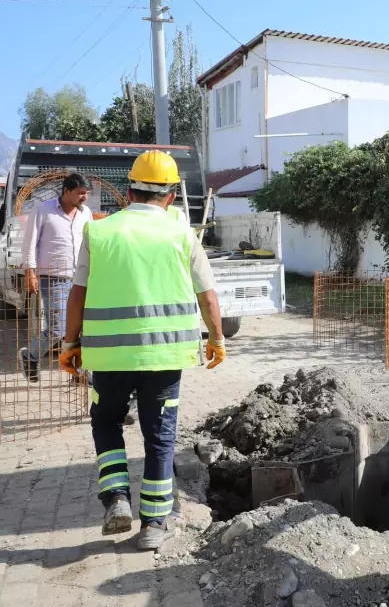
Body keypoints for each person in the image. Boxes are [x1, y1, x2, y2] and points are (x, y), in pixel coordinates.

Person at [59, 149, 226, 550]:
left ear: (129, 190)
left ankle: (116, 498)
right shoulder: (181, 233)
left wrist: (69, 345)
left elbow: (76, 295)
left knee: (106, 423)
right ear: (170, 195)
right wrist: (217, 339)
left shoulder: (98, 232)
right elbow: (208, 296)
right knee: (160, 436)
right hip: (165, 357)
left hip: (109, 357)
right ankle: (153, 524)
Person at [19, 172, 93, 381]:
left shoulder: (85, 212)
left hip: (81, 277)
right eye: (80, 193)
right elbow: (30, 242)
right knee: (58, 328)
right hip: (53, 277)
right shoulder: (43, 210)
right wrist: (30, 272)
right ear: (66, 191)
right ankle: (31, 355)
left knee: (84, 326)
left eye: (86, 193)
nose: (84, 197)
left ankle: (80, 373)